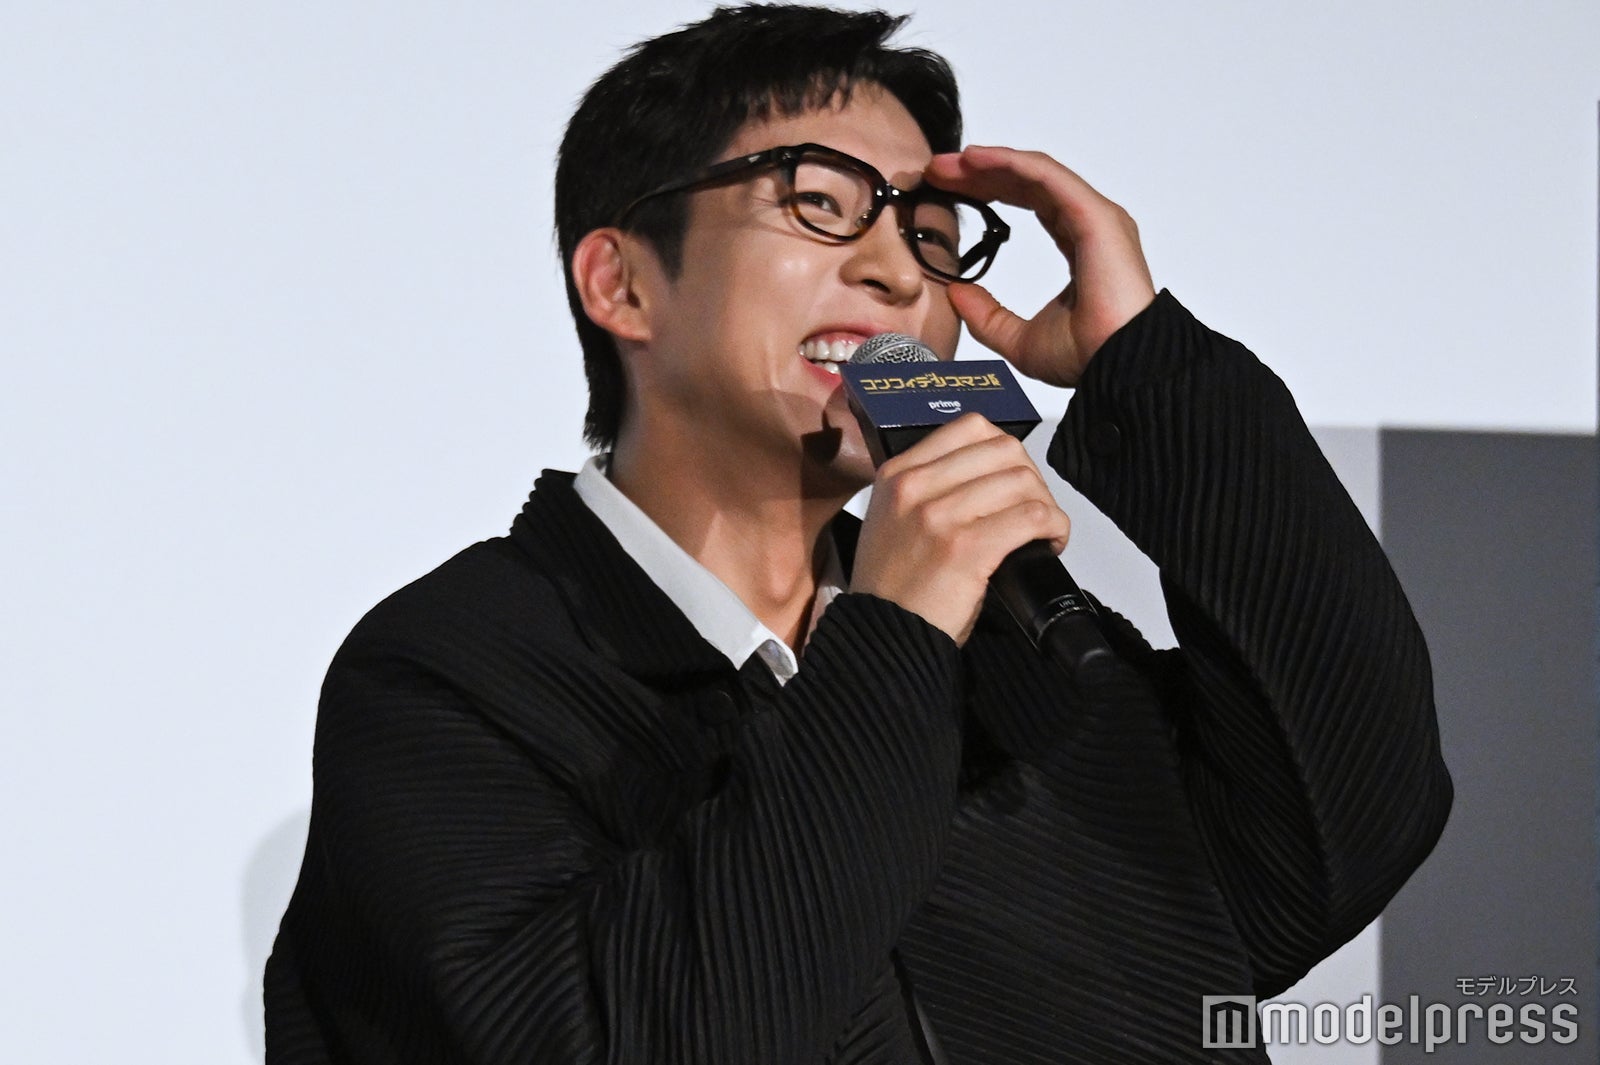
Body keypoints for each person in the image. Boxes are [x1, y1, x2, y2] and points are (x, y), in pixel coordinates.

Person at [264, 5, 1452, 1063]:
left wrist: (1151, 370)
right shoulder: (446, 677)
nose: (894, 274)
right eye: (819, 206)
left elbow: (1345, 828)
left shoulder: (1021, 655)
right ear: (622, 285)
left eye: (930, 235)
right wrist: (891, 641)